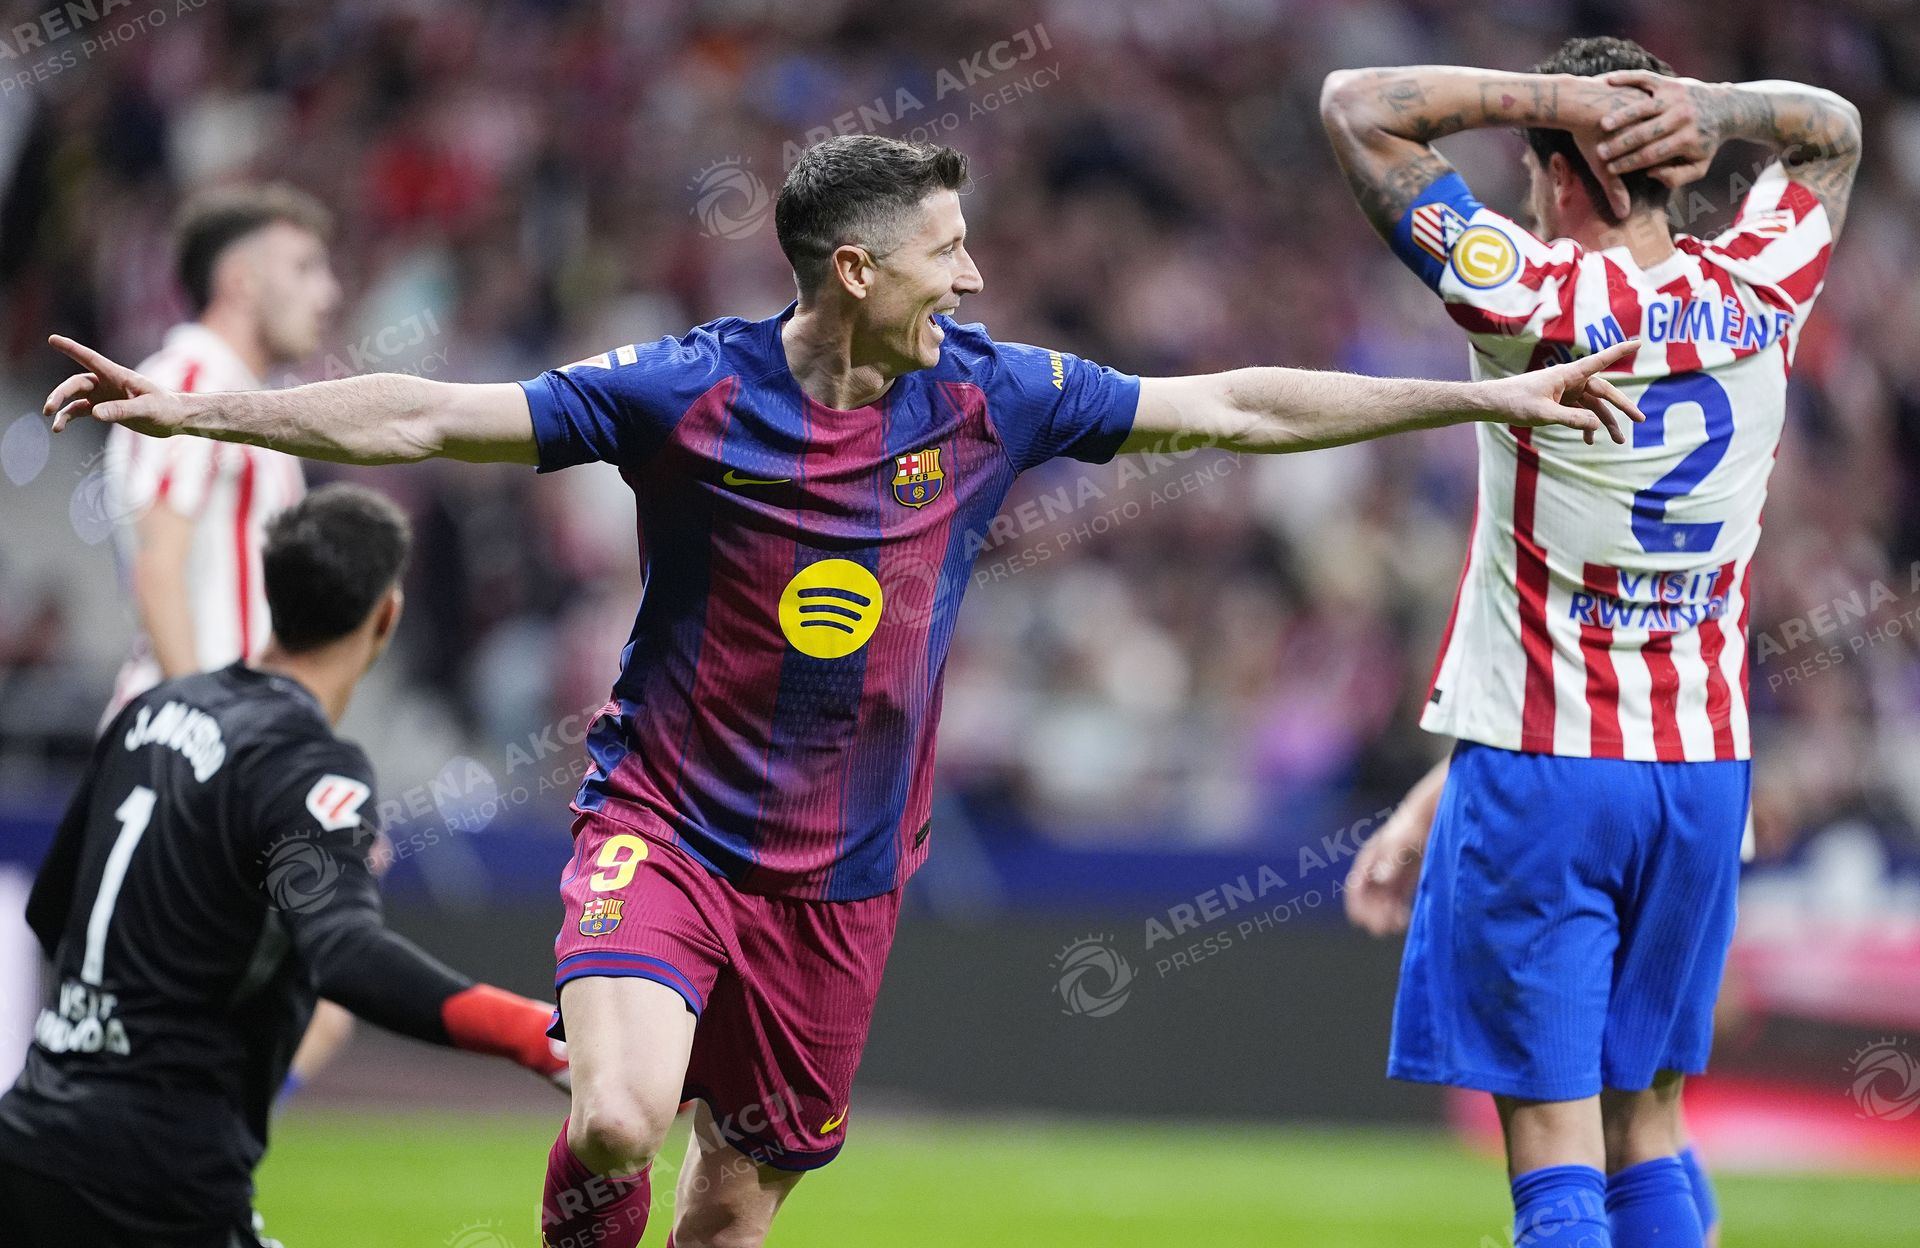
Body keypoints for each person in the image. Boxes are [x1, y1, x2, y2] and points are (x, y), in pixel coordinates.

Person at [42, 133, 1640, 1248]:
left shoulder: (995, 395)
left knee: (734, 1212)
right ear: (858, 267)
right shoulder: (688, 392)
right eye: (950, 251)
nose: (978, 275)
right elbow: (431, 418)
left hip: (846, 877)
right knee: (618, 1116)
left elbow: (1231, 407)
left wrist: (1480, 399)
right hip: (665, 827)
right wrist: (205, 414)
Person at [1321, 37, 1858, 1248]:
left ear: (1566, 174)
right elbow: (1836, 132)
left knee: (1557, 1158)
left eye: (1533, 166)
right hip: (1701, 775)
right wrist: (1714, 106)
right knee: (1646, 1126)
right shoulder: (1763, 284)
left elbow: (1359, 106)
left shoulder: (1534, 297)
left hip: (1547, 778)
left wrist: (1567, 103)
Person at [0, 484, 568, 1248]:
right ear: (387, 614)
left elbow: (50, 913)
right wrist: (536, 1035)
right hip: (156, 1181)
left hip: (28, 1144)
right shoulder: (307, 766)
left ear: (271, 593)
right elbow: (348, 956)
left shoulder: (149, 712)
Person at [99, 183, 361, 1093]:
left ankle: (195, 1161)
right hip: (192, 748)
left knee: (307, 994)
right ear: (241, 279)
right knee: (225, 1008)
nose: (328, 291)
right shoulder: (187, 378)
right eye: (305, 266)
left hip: (231, 744)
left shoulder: (245, 402)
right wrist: (208, 733)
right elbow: (159, 567)